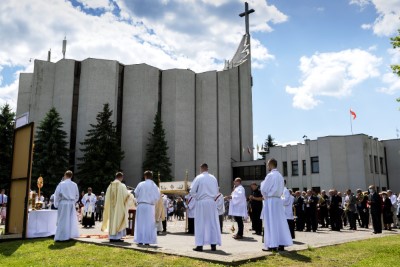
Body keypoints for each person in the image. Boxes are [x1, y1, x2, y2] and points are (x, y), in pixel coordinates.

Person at [260, 159, 293, 252]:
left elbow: (264, 188)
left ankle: (272, 245)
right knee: (280, 222)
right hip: (278, 200)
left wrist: (265, 196)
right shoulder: (280, 176)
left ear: (270, 164)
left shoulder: (271, 175)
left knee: (271, 222)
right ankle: (281, 243)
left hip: (271, 200)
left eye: (267, 165)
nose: (267, 167)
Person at [190, 163, 221, 252]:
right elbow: (216, 191)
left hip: (201, 202)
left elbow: (192, 191)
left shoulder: (199, 177)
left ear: (201, 168)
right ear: (207, 168)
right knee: (212, 223)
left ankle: (200, 245)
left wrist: (197, 197)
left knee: (200, 223)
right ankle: (213, 245)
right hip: (211, 203)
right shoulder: (213, 178)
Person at [101, 172, 135, 242]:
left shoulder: (110, 186)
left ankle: (111, 237)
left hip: (111, 209)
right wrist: (130, 194)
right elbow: (126, 196)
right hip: (119, 208)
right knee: (118, 221)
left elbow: (107, 198)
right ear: (121, 177)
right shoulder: (122, 186)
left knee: (112, 222)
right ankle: (117, 237)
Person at [134, 170, 160, 245]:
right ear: (151, 177)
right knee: (149, 224)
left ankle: (140, 239)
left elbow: (136, 194)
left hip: (141, 205)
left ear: (145, 176)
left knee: (140, 223)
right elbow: (157, 197)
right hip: (150, 206)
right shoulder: (154, 185)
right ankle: (148, 240)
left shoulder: (140, 184)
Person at [53, 170, 80, 241]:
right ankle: (70, 235)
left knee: (62, 219)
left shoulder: (62, 184)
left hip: (63, 203)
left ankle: (61, 236)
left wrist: (56, 203)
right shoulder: (74, 184)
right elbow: (77, 195)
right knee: (70, 220)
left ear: (65, 175)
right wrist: (73, 201)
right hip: (71, 204)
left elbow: (56, 194)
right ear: (71, 176)